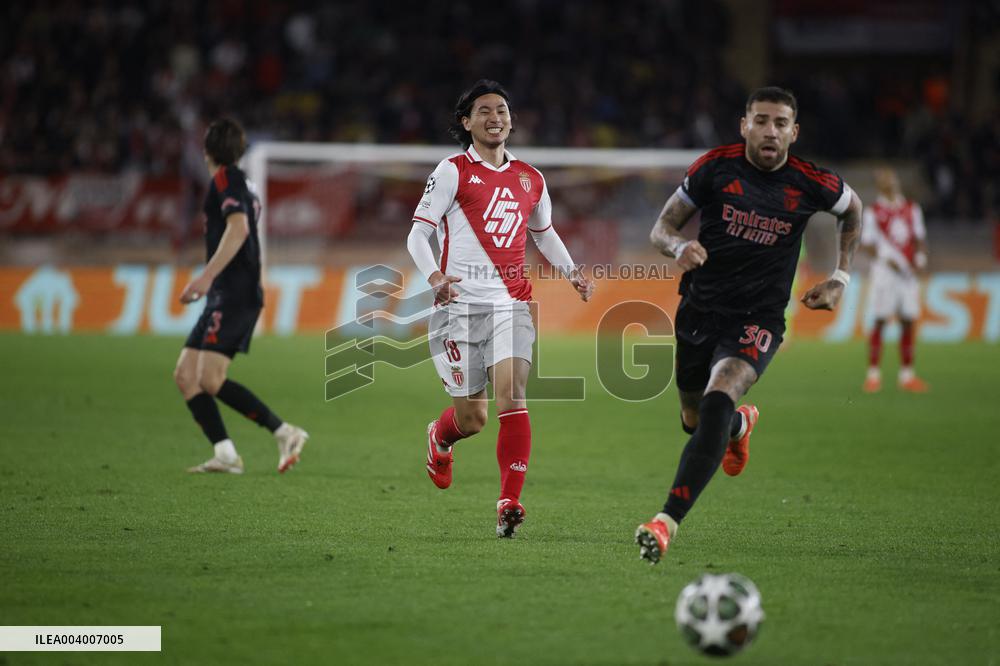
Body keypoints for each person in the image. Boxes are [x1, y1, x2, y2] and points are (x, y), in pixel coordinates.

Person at [636, 87, 864, 564]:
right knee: (694, 421)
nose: (770, 131)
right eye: (761, 120)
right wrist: (679, 248)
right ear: (744, 125)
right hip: (699, 311)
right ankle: (739, 427)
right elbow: (661, 228)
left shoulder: (810, 181)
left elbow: (853, 209)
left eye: (780, 123)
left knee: (719, 397)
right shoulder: (713, 168)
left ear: (794, 132)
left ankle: (665, 522)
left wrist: (840, 276)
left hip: (758, 318)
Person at [406, 80, 594, 537]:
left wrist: (572, 273)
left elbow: (543, 233)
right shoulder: (452, 171)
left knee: (513, 395)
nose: (496, 117)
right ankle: (441, 436)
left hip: (513, 303)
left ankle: (509, 500)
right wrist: (435, 278)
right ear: (466, 122)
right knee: (473, 418)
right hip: (458, 307)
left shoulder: (531, 178)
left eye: (503, 110)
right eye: (484, 110)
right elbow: (418, 234)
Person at [173, 118, 308, 474]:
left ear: (207, 152)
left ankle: (284, 431)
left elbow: (238, 229)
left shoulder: (225, 178)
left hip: (234, 292)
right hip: (226, 293)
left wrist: (204, 277)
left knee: (210, 379)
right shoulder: (243, 182)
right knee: (186, 375)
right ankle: (226, 454)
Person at [861, 167, 930, 393]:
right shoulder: (874, 212)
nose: (888, 182)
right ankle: (873, 375)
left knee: (909, 320)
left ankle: (907, 375)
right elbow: (867, 244)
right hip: (884, 274)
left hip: (907, 274)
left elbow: (919, 237)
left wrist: (920, 257)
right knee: (880, 320)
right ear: (879, 185)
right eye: (883, 180)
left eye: (890, 178)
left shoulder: (911, 209)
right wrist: (885, 257)